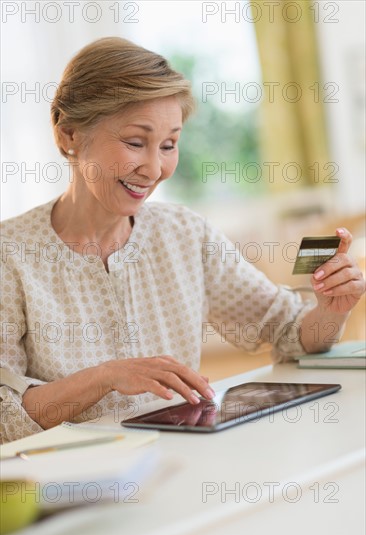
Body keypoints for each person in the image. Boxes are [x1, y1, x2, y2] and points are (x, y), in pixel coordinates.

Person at [0, 38, 364, 444]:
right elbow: (4, 419)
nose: (155, 168)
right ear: (68, 134)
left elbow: (289, 332)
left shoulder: (186, 234)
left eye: (169, 145)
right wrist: (105, 377)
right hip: (64, 488)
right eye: (136, 142)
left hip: (179, 465)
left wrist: (330, 309)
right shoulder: (10, 255)